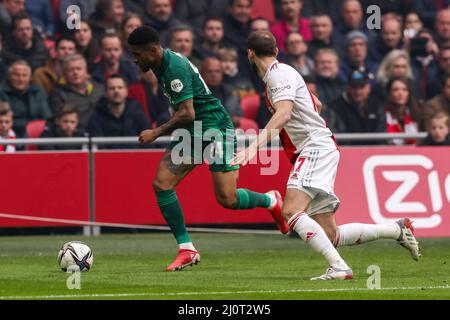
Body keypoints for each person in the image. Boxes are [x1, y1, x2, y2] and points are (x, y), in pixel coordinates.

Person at [231, 31, 421, 280]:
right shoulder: (284, 74)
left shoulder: (278, 75)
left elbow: (285, 113)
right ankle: (397, 230)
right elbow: (315, 104)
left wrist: (252, 147)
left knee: (290, 211)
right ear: (276, 51)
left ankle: (340, 268)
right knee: (331, 234)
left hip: (314, 147)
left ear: (249, 54)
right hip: (317, 148)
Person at [128, 26, 287, 271]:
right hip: (194, 130)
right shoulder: (159, 63)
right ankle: (187, 249)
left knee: (228, 199)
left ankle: (270, 200)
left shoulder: (174, 68)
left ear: (153, 50)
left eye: (138, 54)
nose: (135, 58)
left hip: (215, 128)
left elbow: (187, 113)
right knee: (162, 184)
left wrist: (156, 132)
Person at [87, 75, 149, 147]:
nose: (116, 91)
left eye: (120, 87)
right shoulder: (96, 117)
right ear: (105, 93)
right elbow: (98, 147)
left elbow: (147, 144)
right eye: (112, 88)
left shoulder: (139, 116)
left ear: (126, 91)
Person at [49, 54, 104, 130]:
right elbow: (60, 120)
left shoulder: (100, 88)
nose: (75, 73)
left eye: (79, 69)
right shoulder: (57, 94)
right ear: (64, 74)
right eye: (70, 70)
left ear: (86, 71)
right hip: (77, 134)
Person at [0, 60, 52, 137]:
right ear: (9, 76)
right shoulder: (1, 91)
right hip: (8, 132)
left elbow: (46, 116)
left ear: (30, 77)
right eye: (16, 75)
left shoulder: (38, 91)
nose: (21, 79)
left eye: (24, 75)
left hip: (36, 133)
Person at [384, 77, 421, 145]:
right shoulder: (382, 115)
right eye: (395, 90)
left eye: (404, 90)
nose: (400, 93)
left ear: (409, 93)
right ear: (389, 94)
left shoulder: (417, 114)